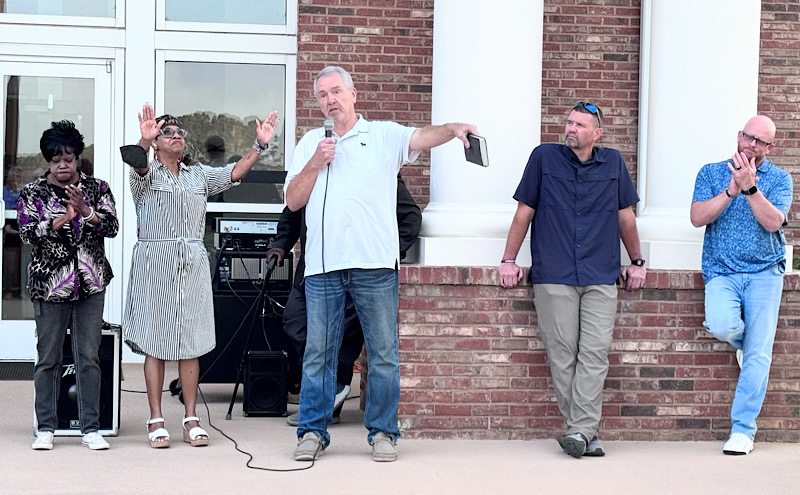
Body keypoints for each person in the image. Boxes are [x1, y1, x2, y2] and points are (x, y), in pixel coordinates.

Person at [286, 65, 476, 463]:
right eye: (322, 95)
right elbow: (293, 200)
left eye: (336, 91)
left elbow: (421, 136)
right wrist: (315, 163)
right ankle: (312, 431)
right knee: (318, 353)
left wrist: (452, 129)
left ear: (353, 94)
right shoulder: (310, 143)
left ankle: (383, 432)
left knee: (383, 353)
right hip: (322, 267)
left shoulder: (383, 135)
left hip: (374, 265)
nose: (330, 100)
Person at [120, 103, 279, 449]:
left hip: (191, 260)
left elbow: (235, 172)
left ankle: (191, 418)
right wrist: (144, 140)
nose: (175, 136)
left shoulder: (197, 175)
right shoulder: (145, 173)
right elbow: (135, 161)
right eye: (167, 132)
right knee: (156, 341)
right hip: (156, 261)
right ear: (157, 141)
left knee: (191, 341)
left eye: (179, 132)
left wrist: (259, 145)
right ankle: (156, 418)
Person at [498, 102, 646, 459]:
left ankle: (579, 430)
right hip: (555, 272)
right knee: (562, 354)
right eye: (569, 122)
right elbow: (523, 213)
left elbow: (625, 218)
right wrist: (508, 259)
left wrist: (637, 261)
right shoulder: (543, 158)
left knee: (594, 354)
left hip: (601, 273)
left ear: (597, 134)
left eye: (580, 124)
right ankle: (584, 432)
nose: (570, 128)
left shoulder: (613, 163)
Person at [266, 173, 421, 427]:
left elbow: (410, 217)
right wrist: (281, 243)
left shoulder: (378, 164)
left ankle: (331, 400)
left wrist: (389, 254)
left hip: (358, 270)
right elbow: (294, 209)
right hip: (314, 268)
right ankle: (328, 391)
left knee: (347, 335)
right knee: (296, 321)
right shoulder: (315, 164)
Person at [690, 115, 792, 456]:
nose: (752, 144)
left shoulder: (780, 179)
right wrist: (731, 190)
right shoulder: (711, 173)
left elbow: (773, 222)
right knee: (722, 325)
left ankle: (743, 430)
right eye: (749, 137)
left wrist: (750, 188)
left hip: (765, 272)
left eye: (761, 141)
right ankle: (745, 345)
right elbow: (697, 217)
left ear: (770, 147)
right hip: (721, 270)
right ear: (739, 135)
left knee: (759, 354)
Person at [19, 121, 119, 450]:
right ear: (48, 160)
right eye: (56, 160)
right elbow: (26, 233)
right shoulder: (32, 193)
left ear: (77, 157)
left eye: (69, 159)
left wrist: (86, 210)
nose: (63, 165)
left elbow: (112, 227)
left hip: (91, 283)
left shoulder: (98, 188)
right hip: (49, 286)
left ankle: (91, 428)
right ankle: (46, 427)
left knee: (88, 356)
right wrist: (61, 219)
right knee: (48, 358)